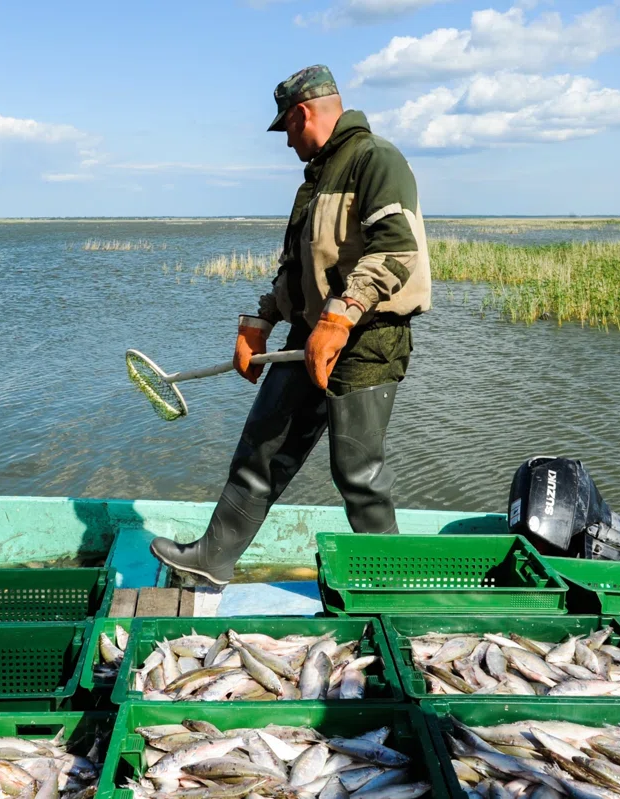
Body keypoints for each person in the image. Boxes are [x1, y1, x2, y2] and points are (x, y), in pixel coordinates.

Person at [151, 64, 432, 587]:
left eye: (287, 129)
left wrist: (342, 315)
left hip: (368, 340)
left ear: (304, 113)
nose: (286, 143)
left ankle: (392, 588)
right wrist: (260, 319)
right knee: (261, 447)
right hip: (311, 336)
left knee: (358, 474)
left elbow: (396, 251)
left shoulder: (376, 160)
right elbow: (297, 269)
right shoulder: (318, 176)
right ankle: (212, 559)